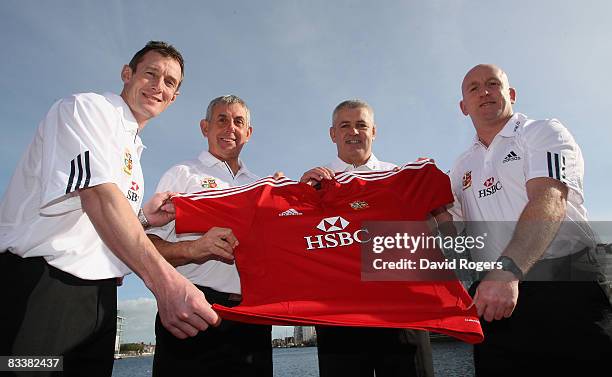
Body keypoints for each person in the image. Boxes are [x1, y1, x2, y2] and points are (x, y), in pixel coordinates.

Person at [0, 41, 220, 377]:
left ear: (174, 98)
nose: (158, 86)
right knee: (20, 371)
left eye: (170, 82)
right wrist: (165, 283)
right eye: (151, 73)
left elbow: (100, 222)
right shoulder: (87, 109)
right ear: (127, 74)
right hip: (44, 286)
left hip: (99, 300)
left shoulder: (133, 145)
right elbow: (98, 197)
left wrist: (143, 218)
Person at [449, 64, 612, 375]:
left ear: (510, 94)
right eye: (474, 88)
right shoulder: (460, 168)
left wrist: (508, 271)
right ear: (463, 106)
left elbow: (549, 200)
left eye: (492, 84)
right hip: (495, 303)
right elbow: (450, 227)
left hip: (565, 290)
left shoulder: (541, 132)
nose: (484, 91)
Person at [300, 99, 435, 377]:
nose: (353, 132)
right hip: (338, 317)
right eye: (345, 125)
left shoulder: (401, 178)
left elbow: (432, 233)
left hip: (402, 312)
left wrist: (425, 189)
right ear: (332, 133)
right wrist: (299, 200)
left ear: (373, 131)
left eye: (361, 125)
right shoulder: (309, 185)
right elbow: (300, 246)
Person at [147, 95, 272, 377]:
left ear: (248, 133)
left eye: (238, 121)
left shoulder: (262, 187)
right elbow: (146, 246)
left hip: (253, 318)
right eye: (222, 120)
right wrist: (194, 248)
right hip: (193, 310)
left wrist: (300, 194)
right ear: (205, 127)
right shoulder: (182, 175)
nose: (230, 127)